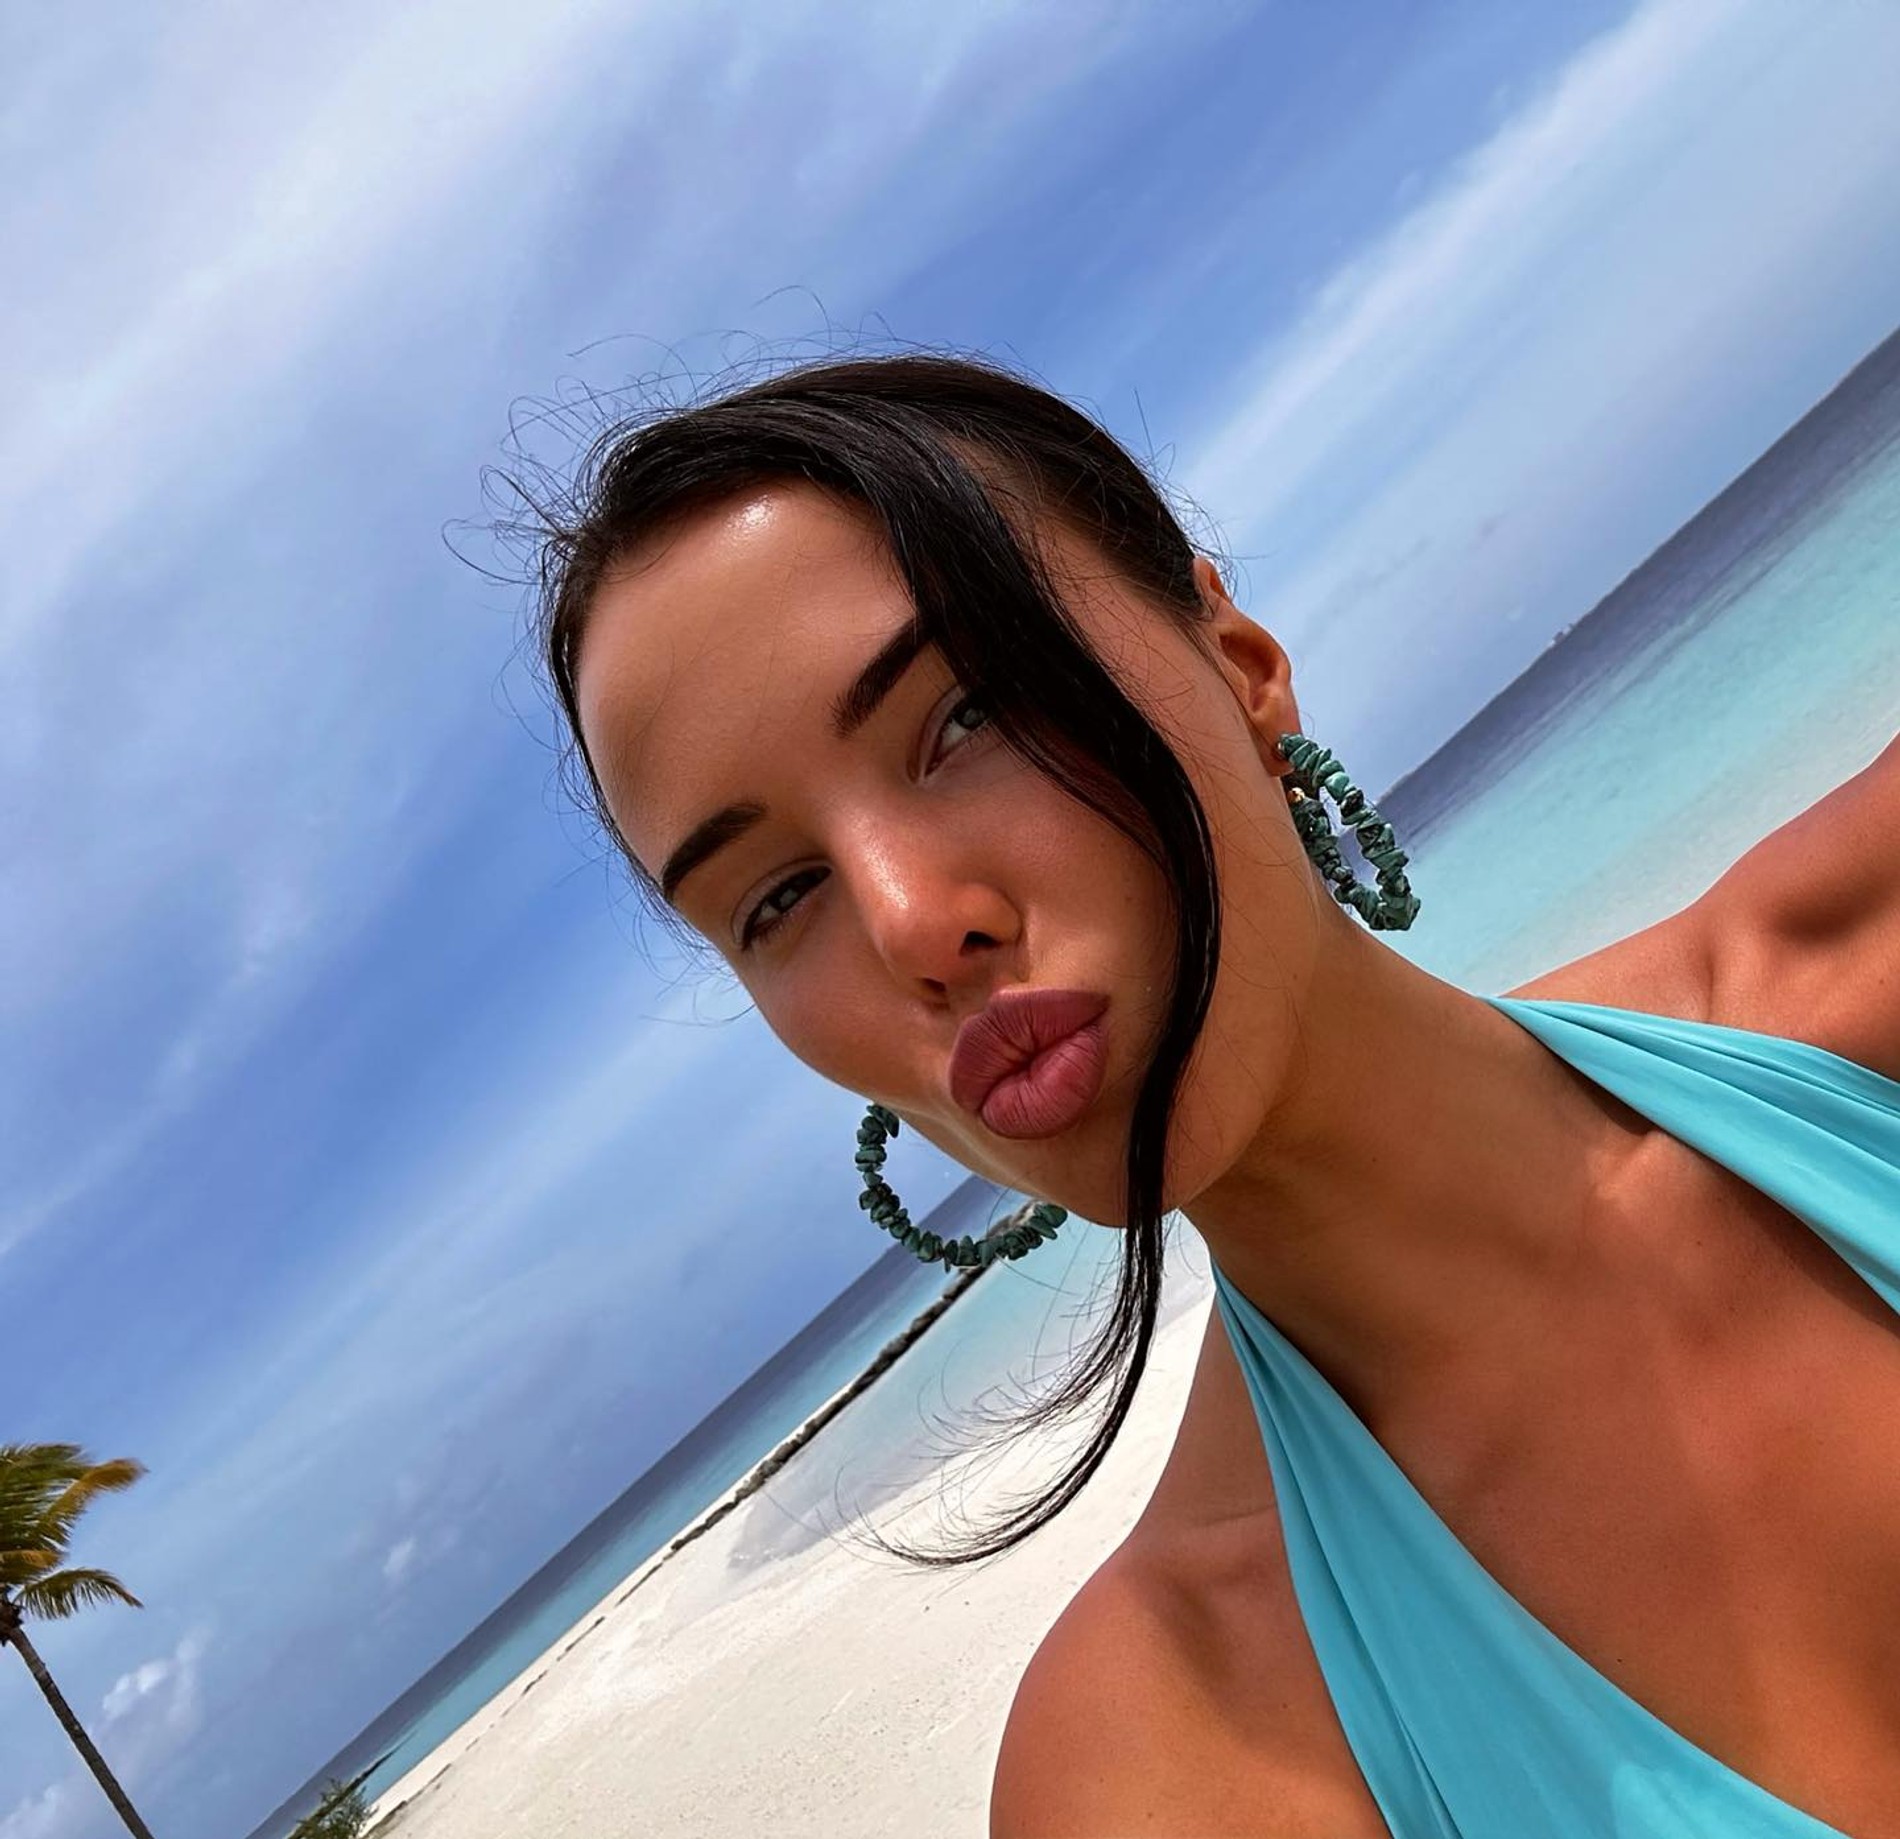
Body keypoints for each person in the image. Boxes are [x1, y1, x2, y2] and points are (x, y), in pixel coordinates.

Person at [524, 351, 1900, 1837]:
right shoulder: (1167, 1762)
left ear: (1240, 663)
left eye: (964, 716)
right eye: (779, 899)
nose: (913, 924)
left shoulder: (1860, 984)